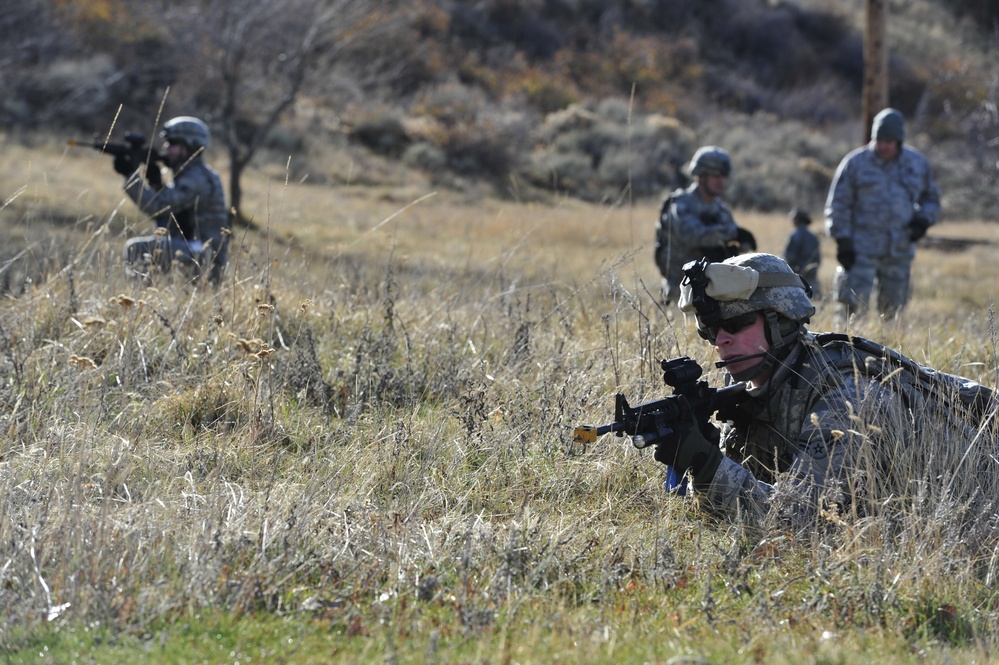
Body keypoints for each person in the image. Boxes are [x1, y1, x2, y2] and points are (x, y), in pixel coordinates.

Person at [652, 252, 995, 529]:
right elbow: (740, 508)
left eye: (736, 324)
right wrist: (704, 454)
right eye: (711, 330)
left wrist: (708, 464)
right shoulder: (756, 381)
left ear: (781, 320)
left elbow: (798, 522)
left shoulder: (849, 399)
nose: (722, 340)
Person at [825, 107, 940, 318]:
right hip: (860, 250)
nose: (884, 146)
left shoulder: (916, 163)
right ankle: (847, 350)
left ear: (899, 141)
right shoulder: (855, 163)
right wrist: (842, 240)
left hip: (899, 250)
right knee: (852, 311)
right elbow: (838, 204)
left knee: (893, 314)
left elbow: (931, 199)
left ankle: (888, 350)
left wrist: (923, 221)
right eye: (880, 140)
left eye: (889, 141)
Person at [115, 116, 230, 283]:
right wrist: (156, 183)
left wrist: (131, 177)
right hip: (196, 252)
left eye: (172, 144)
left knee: (136, 249)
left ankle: (136, 301)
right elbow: (171, 215)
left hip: (206, 259)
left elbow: (158, 206)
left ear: (189, 147)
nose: (166, 148)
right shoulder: (191, 174)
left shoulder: (197, 178)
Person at [654, 146, 755, 304]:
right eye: (715, 175)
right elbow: (694, 235)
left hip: (716, 289)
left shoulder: (721, 209)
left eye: (723, 175)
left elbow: (741, 244)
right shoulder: (681, 205)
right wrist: (733, 233)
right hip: (682, 291)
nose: (721, 180)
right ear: (700, 175)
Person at [782, 208, 821, 297]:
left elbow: (788, 257)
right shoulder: (813, 236)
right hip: (812, 276)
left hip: (796, 277)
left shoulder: (795, 235)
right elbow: (818, 259)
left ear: (797, 220)